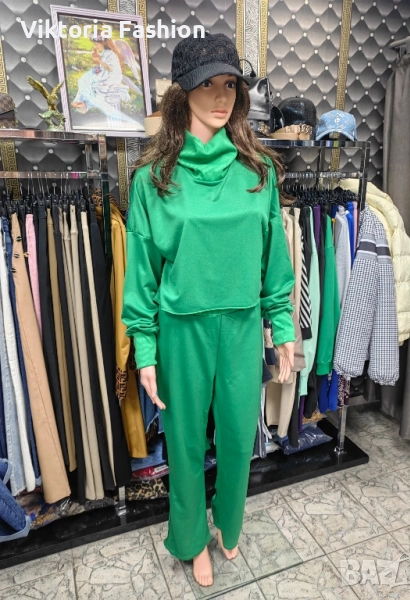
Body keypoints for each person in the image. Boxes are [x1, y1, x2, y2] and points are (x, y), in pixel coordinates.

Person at [122, 32, 296, 587]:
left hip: (242, 325)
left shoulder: (258, 172)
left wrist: (282, 325)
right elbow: (141, 272)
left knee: (240, 437)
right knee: (186, 443)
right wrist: (145, 349)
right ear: (184, 92)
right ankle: (192, 537)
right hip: (182, 330)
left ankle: (229, 520)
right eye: (207, 85)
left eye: (230, 84)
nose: (222, 97)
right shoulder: (153, 179)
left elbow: (274, 259)